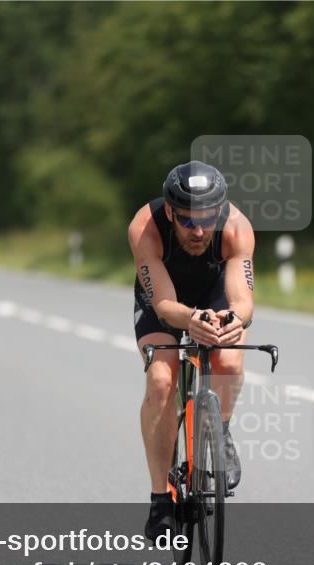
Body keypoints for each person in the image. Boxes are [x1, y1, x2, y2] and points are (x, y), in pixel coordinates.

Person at [128, 160, 255, 541]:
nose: (199, 231)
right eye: (186, 221)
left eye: (207, 220)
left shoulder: (236, 228)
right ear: (170, 211)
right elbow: (165, 305)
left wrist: (235, 319)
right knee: (162, 380)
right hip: (164, 300)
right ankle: (159, 499)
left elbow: (243, 300)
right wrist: (189, 319)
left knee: (229, 360)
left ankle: (222, 431)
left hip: (214, 295)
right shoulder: (145, 227)